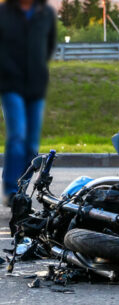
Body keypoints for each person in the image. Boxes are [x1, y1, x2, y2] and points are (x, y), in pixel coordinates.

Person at [0, 0, 56, 206]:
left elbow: (48, 46)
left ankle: (22, 188)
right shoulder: (3, 13)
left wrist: (38, 69)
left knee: (32, 144)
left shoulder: (46, 13)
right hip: (11, 85)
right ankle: (11, 191)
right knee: (17, 136)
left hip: (35, 86)